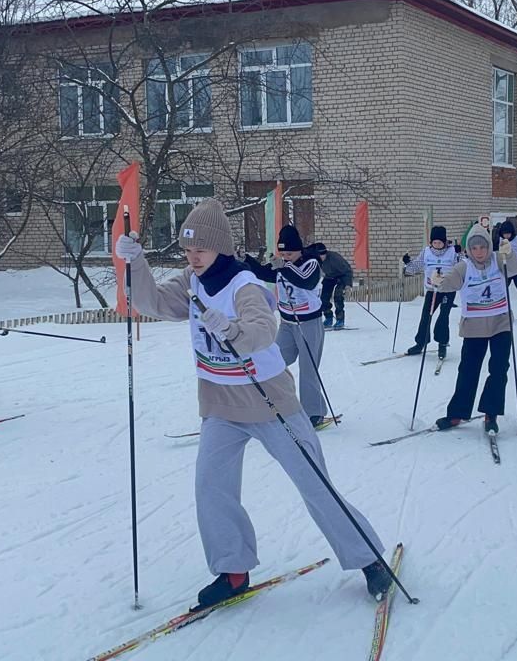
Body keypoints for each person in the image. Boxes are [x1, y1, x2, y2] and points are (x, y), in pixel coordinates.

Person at [114, 200, 392, 607]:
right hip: (219, 406)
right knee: (212, 487)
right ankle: (233, 570)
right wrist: (134, 263)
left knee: (313, 482)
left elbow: (263, 329)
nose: (193, 259)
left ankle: (369, 559)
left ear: (221, 249)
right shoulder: (191, 281)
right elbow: (151, 302)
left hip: (269, 404)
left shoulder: (245, 285)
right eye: (188, 251)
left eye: (200, 251)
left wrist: (231, 328)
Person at [427, 223, 517, 435]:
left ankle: (491, 413)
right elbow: (448, 283)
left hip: (500, 323)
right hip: (474, 326)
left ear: (489, 246)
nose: (479, 252)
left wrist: (511, 255)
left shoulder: (499, 260)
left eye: (483, 247)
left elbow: (516, 270)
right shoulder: (464, 266)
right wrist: (437, 281)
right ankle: (457, 413)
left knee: (499, 369)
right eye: (475, 248)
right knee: (468, 371)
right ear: (469, 250)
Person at [244, 225, 328, 428]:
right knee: (274, 361)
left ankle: (314, 413)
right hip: (288, 324)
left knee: (308, 368)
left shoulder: (311, 262)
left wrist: (283, 266)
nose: (286, 257)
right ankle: (271, 404)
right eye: (283, 253)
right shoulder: (283, 264)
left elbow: (305, 281)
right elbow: (263, 273)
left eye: (290, 253)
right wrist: (245, 260)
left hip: (309, 323)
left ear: (299, 250)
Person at [402, 225, 461, 359]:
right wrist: (407, 263)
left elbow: (463, 265)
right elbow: (416, 265)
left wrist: (460, 254)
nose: (437, 245)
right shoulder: (426, 251)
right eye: (434, 242)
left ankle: (442, 344)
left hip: (448, 289)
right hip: (432, 289)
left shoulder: (452, 252)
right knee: (425, 317)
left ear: (445, 242)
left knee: (443, 317)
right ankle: (420, 343)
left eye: (440, 242)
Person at [312, 243, 352, 329]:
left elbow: (348, 271)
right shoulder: (315, 260)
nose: (322, 257)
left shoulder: (335, 258)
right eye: (319, 255)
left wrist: (348, 285)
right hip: (329, 277)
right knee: (323, 298)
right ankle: (328, 318)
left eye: (323, 255)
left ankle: (340, 320)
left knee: (338, 296)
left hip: (342, 276)